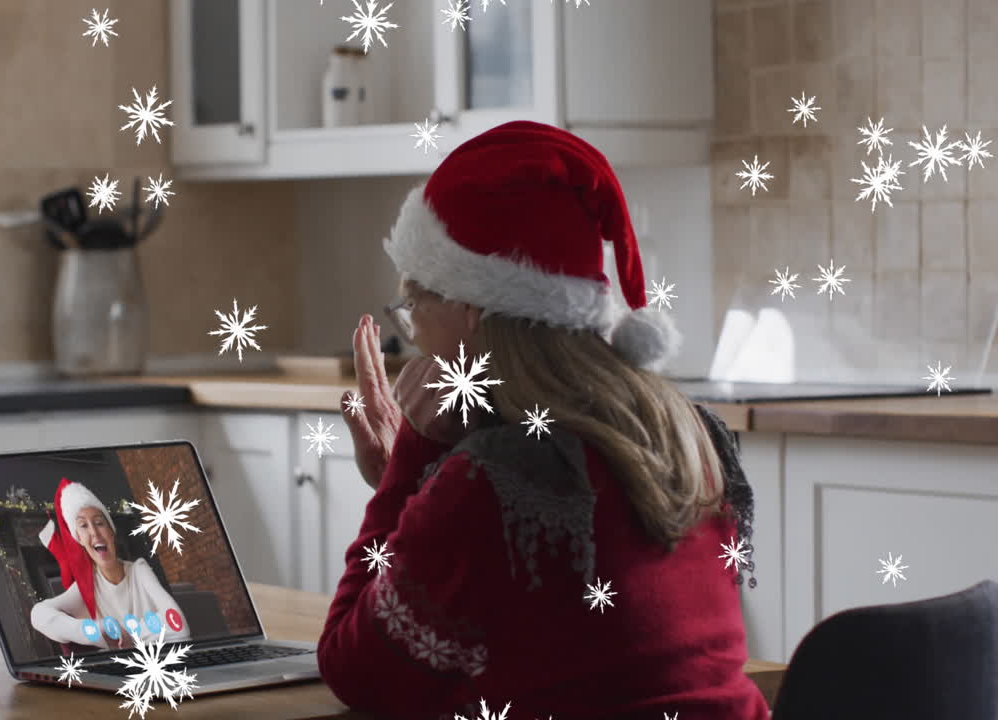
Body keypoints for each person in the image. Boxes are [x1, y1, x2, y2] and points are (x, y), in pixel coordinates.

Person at [317, 121, 770, 720]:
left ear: (470, 309)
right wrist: (424, 494)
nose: (414, 341)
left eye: (414, 309)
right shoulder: (689, 435)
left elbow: (355, 668)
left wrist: (410, 469)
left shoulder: (493, 481)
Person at [30, 478, 192, 650]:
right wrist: (96, 630)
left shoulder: (139, 570)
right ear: (80, 541)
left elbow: (179, 626)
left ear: (111, 532)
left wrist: (128, 636)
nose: (94, 532)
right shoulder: (86, 587)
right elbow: (38, 615)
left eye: (99, 523)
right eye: (83, 526)